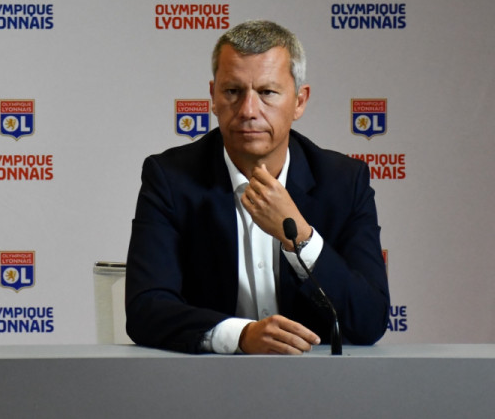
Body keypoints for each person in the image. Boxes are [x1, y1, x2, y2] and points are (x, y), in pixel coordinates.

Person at [125, 20, 389, 354]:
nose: (248, 111)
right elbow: (146, 309)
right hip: (207, 380)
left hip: (317, 380)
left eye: (267, 93)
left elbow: (370, 320)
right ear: (213, 97)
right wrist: (241, 336)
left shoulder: (344, 182)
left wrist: (301, 238)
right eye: (233, 92)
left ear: (299, 101)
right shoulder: (170, 178)